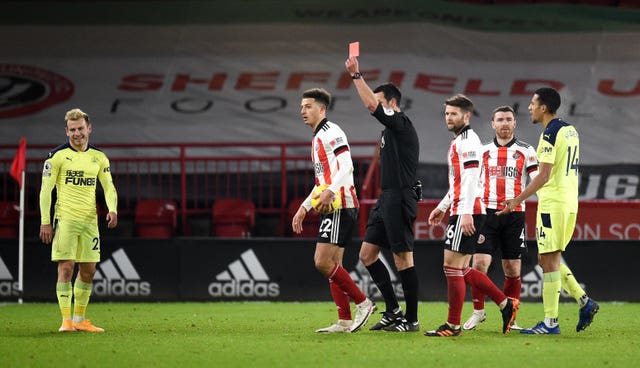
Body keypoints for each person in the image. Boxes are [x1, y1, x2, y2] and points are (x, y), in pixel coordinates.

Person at [498, 87, 599, 334]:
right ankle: (584, 301)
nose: (530, 108)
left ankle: (550, 322)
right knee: (546, 259)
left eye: (533, 103)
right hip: (568, 201)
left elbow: (543, 176)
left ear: (544, 107)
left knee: (550, 259)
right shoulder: (570, 130)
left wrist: (516, 199)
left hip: (552, 203)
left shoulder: (549, 134)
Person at [425, 94, 519, 337]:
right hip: (464, 208)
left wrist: (465, 212)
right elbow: (458, 182)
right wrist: (444, 206)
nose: (449, 118)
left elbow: (470, 179)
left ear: (466, 116)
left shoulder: (468, 141)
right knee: (460, 268)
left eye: (454, 114)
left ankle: (453, 326)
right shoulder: (461, 140)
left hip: (468, 210)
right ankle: (505, 303)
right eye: (447, 113)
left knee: (452, 267)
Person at [345, 57, 421, 332]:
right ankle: (393, 309)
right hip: (386, 197)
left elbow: (370, 105)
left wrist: (356, 76)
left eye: (380, 102)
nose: (374, 106)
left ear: (391, 102)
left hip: (400, 197)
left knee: (403, 259)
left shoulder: (400, 122)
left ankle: (411, 320)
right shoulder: (389, 130)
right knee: (367, 254)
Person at [292, 88, 375, 333]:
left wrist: (331, 191)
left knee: (322, 261)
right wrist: (304, 207)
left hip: (341, 204)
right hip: (333, 204)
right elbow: (322, 182)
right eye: (302, 107)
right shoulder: (317, 137)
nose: (303, 111)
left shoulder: (332, 132)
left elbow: (347, 166)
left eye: (308, 106)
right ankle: (344, 320)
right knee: (334, 264)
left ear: (322, 109)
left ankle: (363, 303)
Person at [39, 108, 118, 333]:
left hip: (90, 222)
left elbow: (109, 186)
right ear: (66, 131)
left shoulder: (99, 157)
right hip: (65, 220)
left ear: (89, 128)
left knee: (89, 270)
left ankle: (80, 319)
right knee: (66, 267)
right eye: (72, 130)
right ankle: (66, 321)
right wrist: (46, 221)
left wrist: (112, 209)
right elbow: (46, 190)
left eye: (81, 128)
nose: (77, 133)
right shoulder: (56, 157)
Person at [462, 106, 539, 331]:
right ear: (492, 124)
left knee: (513, 268)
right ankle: (478, 312)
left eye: (508, 120)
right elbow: (471, 179)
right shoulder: (483, 150)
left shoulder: (526, 151)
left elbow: (536, 180)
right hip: (487, 214)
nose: (504, 124)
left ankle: (510, 317)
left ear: (515, 123)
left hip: (515, 215)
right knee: (479, 263)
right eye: (500, 120)